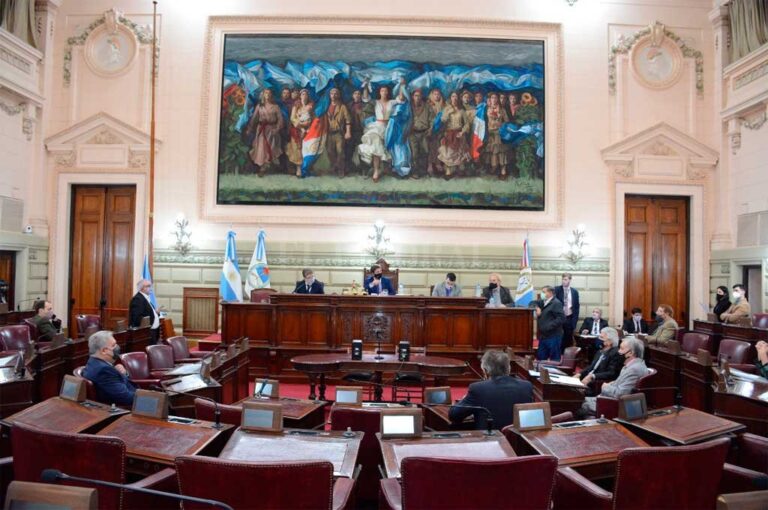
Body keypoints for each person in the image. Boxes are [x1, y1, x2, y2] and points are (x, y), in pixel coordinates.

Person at [449, 349, 533, 430]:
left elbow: (454, 415)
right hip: (517, 438)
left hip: (490, 438)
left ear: (485, 371)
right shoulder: (526, 386)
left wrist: (463, 400)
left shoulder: (478, 389)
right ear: (509, 369)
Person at [582, 336, 648, 415]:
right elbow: (619, 385)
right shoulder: (632, 365)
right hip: (606, 399)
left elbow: (620, 394)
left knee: (576, 403)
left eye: (621, 349)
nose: (618, 351)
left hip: (611, 405)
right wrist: (611, 385)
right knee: (577, 399)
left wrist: (605, 387)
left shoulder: (634, 369)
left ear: (630, 353)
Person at [357, 83, 406, 182]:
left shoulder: (391, 102)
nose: (384, 92)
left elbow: (401, 99)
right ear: (379, 92)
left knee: (389, 148)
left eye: (386, 91)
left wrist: (401, 85)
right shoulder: (375, 102)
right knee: (376, 146)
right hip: (377, 126)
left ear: (388, 92)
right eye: (382, 91)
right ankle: (376, 170)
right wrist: (366, 86)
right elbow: (365, 98)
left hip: (389, 127)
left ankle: (387, 169)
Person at [82, 330, 136, 406]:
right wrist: (148, 397)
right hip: (126, 407)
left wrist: (123, 373)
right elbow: (126, 398)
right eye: (114, 345)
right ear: (104, 351)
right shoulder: (104, 370)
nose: (117, 347)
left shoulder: (93, 362)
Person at [245, 88, 284, 176]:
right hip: (261, 129)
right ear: (263, 95)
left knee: (271, 148)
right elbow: (254, 119)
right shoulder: (259, 106)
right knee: (261, 147)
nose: (268, 95)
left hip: (271, 130)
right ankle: (262, 167)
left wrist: (276, 129)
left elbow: (280, 120)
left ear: (271, 95)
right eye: (266, 93)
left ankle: (268, 165)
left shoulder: (275, 107)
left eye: (269, 93)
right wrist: (250, 128)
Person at [578, 327, 623, 396]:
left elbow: (611, 373)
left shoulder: (616, 353)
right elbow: (591, 366)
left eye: (602, 338)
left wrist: (593, 376)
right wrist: (580, 374)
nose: (599, 339)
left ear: (610, 341)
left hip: (596, 383)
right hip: (586, 379)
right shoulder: (600, 351)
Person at [437, 91, 471, 179]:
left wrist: (462, 132)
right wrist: (448, 112)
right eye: (453, 96)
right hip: (449, 133)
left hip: (459, 133)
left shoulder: (462, 110)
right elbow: (443, 120)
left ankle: (459, 170)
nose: (454, 98)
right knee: (448, 153)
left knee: (459, 153)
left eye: (456, 97)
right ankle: (448, 171)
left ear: (458, 98)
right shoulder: (446, 109)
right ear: (450, 98)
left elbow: (467, 124)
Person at [286, 88, 315, 177]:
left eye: (306, 94)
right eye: (303, 94)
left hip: (308, 129)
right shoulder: (296, 105)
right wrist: (300, 126)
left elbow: (313, 118)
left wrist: (307, 125)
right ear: (300, 96)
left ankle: (306, 167)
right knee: (297, 149)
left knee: (307, 148)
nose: (304, 96)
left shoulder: (311, 106)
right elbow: (292, 118)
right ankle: (298, 168)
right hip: (297, 130)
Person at [325, 87, 352, 177]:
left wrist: (348, 132)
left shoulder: (342, 107)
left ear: (339, 95)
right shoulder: (327, 106)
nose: (333, 95)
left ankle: (341, 169)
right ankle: (334, 166)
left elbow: (348, 120)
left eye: (335, 93)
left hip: (339, 133)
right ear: (329, 95)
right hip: (329, 133)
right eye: (332, 93)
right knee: (330, 151)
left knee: (340, 151)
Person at [483, 92, 510, 179]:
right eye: (492, 98)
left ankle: (503, 171)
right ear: (490, 99)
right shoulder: (487, 109)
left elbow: (507, 121)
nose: (494, 100)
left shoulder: (502, 110)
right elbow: (484, 121)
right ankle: (494, 167)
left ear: (498, 99)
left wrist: (501, 124)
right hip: (490, 133)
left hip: (499, 133)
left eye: (495, 98)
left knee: (501, 152)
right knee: (492, 152)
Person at [535, 286, 565, 361]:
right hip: (543, 336)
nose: (542, 294)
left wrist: (548, 326)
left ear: (550, 293)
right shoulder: (543, 302)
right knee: (541, 359)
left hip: (553, 336)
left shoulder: (556, 303)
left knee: (554, 359)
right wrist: (537, 308)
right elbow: (532, 303)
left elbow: (561, 318)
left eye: (544, 292)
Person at [408, 89, 433, 178]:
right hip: (413, 133)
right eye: (416, 96)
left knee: (425, 151)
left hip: (424, 132)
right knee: (414, 153)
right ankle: (415, 171)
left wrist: (430, 129)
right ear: (412, 97)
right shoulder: (409, 107)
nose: (417, 98)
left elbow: (432, 119)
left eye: (419, 96)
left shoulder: (427, 107)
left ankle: (423, 170)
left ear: (422, 96)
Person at [128, 279, 160, 344]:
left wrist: (155, 312)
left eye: (150, 286)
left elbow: (147, 312)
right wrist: (144, 332)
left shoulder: (145, 298)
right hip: (146, 333)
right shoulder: (138, 299)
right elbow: (137, 318)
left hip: (152, 331)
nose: (151, 288)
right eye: (148, 286)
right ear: (142, 288)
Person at [555, 273, 580, 353]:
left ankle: (565, 355)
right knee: (558, 336)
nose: (563, 281)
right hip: (559, 317)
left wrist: (574, 322)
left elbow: (576, 307)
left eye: (565, 279)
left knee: (568, 337)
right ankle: (557, 353)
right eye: (563, 279)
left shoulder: (574, 292)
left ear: (570, 280)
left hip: (569, 317)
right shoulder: (556, 290)